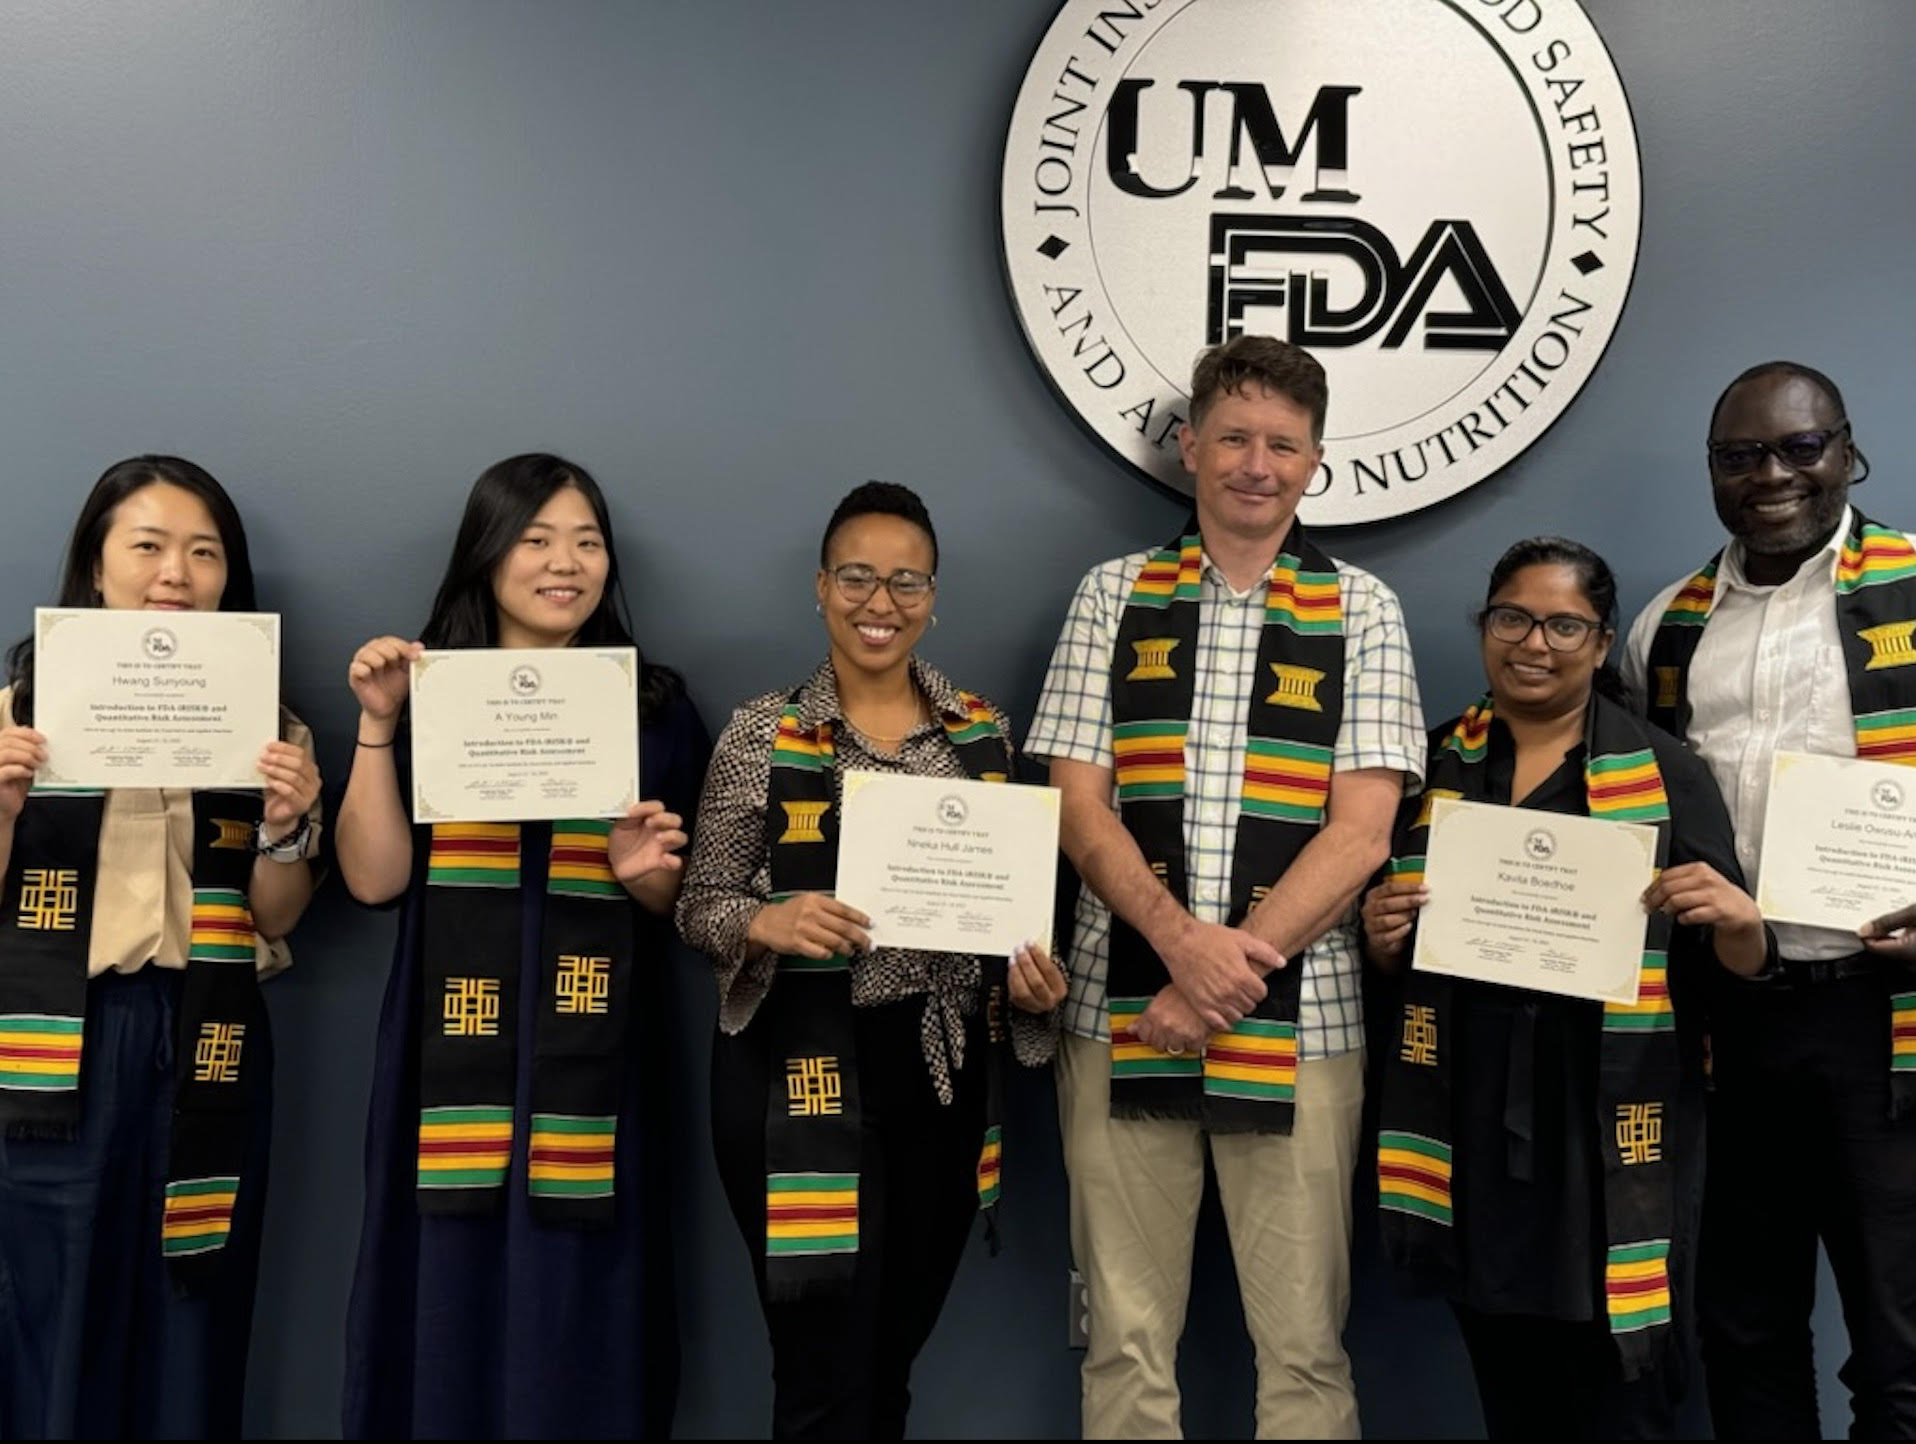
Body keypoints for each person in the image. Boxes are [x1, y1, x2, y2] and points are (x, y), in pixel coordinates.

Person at [1026, 335, 1425, 1439]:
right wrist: (1177, 946)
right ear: (1189, 444)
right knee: (1124, 1339)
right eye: (1236, 437)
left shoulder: (1363, 608)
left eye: (1283, 445)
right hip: (1121, 1011)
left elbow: (1360, 833)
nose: (1257, 463)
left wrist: (1212, 976)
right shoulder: (1110, 594)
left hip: (1305, 1025)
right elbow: (1073, 800)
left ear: (1314, 462)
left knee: (1301, 1349)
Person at [677, 480, 1067, 1440]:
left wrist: (1032, 988)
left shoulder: (983, 737)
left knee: (889, 1360)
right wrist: (765, 925)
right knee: (820, 1370)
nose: (879, 602)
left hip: (936, 1070)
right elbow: (701, 901)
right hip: (793, 1071)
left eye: (906, 581)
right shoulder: (761, 733)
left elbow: (1015, 917)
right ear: (820, 586)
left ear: (935, 597)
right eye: (857, 576)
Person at [337, 453, 710, 1439]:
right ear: (487, 555)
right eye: (537, 538)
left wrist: (643, 874)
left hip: (598, 1064)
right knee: (444, 1289)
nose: (565, 562)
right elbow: (374, 882)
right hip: (448, 1060)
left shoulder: (656, 709)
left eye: (587, 542)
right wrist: (378, 727)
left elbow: (688, 901)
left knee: (583, 1300)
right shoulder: (423, 691)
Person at [1363, 537, 1770, 1438]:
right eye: (1512, 617)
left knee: (1623, 1392)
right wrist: (1381, 940)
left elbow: (1728, 980)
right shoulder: (1431, 769)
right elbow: (1387, 968)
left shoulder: (1666, 774)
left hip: (1611, 1119)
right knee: (1507, 1382)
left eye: (1563, 624)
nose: (1533, 643)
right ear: (1486, 627)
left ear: (1600, 640)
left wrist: (1741, 928)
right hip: (1468, 1116)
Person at [1621, 362, 1916, 1439]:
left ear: (1845, 449)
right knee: (1743, 1325)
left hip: (1883, 1018)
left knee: (1899, 1340)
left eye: (1800, 448)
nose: (1772, 475)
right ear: (1712, 472)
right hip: (1730, 1018)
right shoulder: (1666, 626)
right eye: (1741, 456)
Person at [0, 456, 323, 1438]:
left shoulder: (264, 725)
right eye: (146, 545)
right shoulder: (20, 710)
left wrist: (286, 823)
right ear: (96, 567)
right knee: (50, 1304)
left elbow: (276, 915)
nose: (174, 571)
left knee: (196, 1298)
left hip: (209, 1031)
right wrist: (7, 804)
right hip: (60, 1037)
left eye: (202, 551)